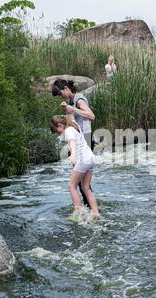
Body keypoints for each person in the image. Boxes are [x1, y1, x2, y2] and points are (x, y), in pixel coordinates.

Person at [52, 79, 95, 208]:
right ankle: (89, 207)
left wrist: (72, 109)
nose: (60, 97)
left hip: (85, 138)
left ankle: (86, 208)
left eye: (60, 94)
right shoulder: (71, 101)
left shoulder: (78, 99)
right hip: (79, 139)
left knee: (80, 181)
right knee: (82, 181)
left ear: (66, 88)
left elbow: (91, 115)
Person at [50, 115, 100, 219]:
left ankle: (79, 213)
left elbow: (72, 142)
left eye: (57, 131)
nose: (58, 133)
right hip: (90, 158)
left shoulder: (68, 130)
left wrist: (72, 154)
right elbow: (71, 115)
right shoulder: (74, 124)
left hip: (82, 160)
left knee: (71, 186)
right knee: (85, 187)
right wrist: (67, 109)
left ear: (59, 125)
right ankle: (95, 213)